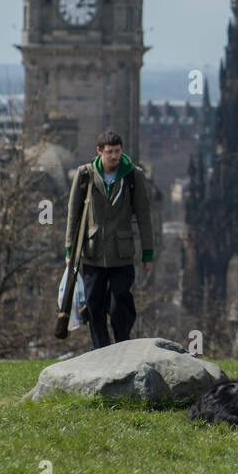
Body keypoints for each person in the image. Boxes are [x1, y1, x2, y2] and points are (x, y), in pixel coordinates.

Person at [64, 130, 154, 350]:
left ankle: (122, 345)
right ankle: (101, 350)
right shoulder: (84, 174)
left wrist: (148, 253)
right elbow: (73, 213)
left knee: (118, 305)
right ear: (99, 151)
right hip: (93, 253)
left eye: (117, 151)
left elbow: (144, 216)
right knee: (94, 306)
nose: (115, 156)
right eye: (110, 152)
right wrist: (69, 250)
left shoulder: (134, 176)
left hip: (122, 253)